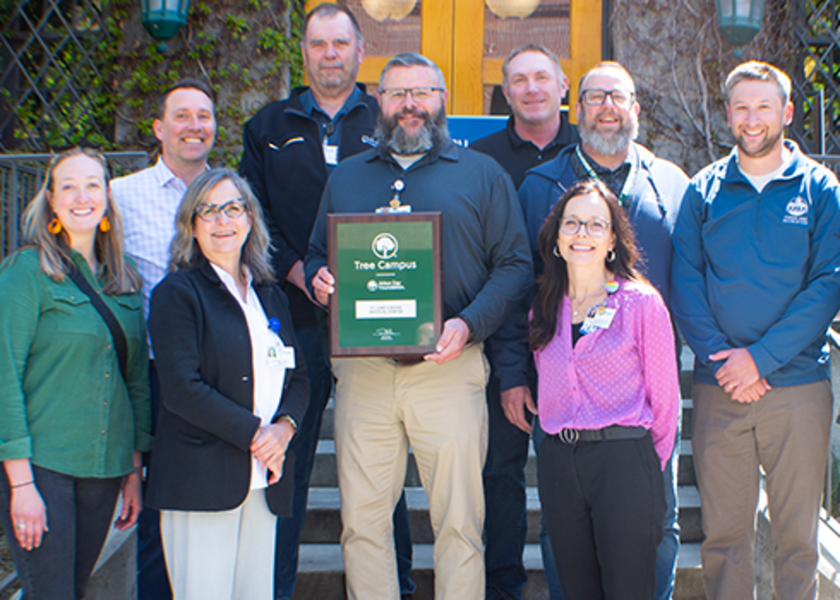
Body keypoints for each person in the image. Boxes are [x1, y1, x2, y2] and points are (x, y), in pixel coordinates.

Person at [305, 52, 532, 600]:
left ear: (442, 99)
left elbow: (516, 264)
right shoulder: (348, 177)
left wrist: (468, 324)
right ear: (379, 101)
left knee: (458, 524)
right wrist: (320, 280)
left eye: (423, 92)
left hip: (449, 369)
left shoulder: (481, 174)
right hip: (364, 375)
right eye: (398, 93)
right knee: (362, 525)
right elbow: (316, 254)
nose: (411, 105)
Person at [238, 6, 415, 598]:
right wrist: (297, 270)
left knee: (381, 468)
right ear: (305, 51)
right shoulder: (267, 125)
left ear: (360, 49)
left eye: (341, 42)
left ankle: (399, 585)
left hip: (377, 318)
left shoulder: (387, 116)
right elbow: (252, 215)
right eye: (319, 43)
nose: (330, 53)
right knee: (286, 463)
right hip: (295, 320)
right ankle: (277, 588)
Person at [516, 61, 688, 600]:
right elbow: (516, 280)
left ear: (636, 108)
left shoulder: (671, 184)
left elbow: (694, 276)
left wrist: (644, 457)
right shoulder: (541, 187)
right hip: (565, 452)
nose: (607, 107)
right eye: (594, 97)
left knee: (649, 545)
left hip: (634, 433)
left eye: (618, 96)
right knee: (571, 561)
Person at [671, 61, 840, 600]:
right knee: (725, 537)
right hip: (721, 389)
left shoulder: (820, 189)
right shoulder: (703, 191)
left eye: (764, 105)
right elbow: (685, 284)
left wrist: (760, 359)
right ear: (727, 113)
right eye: (741, 106)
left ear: (787, 113)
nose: (752, 118)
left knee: (797, 538)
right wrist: (726, 360)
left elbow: (828, 284)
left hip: (798, 390)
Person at [145, 169, 310, 600]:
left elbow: (301, 377)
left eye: (233, 208)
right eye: (209, 211)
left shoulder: (269, 295)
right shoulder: (177, 293)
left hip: (265, 480)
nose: (223, 221)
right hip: (202, 479)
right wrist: (259, 434)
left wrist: (285, 427)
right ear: (191, 225)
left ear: (250, 219)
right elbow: (183, 389)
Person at [0, 147, 152, 598]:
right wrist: (21, 484)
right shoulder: (25, 273)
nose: (81, 196)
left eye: (92, 185)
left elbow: (137, 380)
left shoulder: (126, 279)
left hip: (105, 470)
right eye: (68, 186)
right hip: (43, 467)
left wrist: (133, 471)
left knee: (72, 590)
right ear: (51, 199)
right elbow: (5, 375)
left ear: (107, 196)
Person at [531, 179, 678, 599]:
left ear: (613, 238)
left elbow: (666, 402)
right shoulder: (542, 307)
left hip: (624, 462)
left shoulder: (641, 303)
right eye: (572, 223)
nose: (582, 234)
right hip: (560, 463)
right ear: (556, 237)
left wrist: (644, 466)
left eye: (596, 225)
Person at [469, 43, 579, 600]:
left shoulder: (591, 153)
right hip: (505, 345)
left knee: (578, 481)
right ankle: (502, 587)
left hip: (581, 354)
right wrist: (510, 372)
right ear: (505, 92)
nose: (532, 88)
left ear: (563, 87)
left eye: (543, 78)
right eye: (519, 80)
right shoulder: (480, 160)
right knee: (500, 476)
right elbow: (494, 268)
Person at [111, 77, 216, 600]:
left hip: (217, 377)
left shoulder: (230, 193)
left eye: (204, 116)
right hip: (153, 374)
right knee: (154, 510)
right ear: (158, 128)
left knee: (204, 506)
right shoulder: (120, 197)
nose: (195, 126)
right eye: (182, 115)